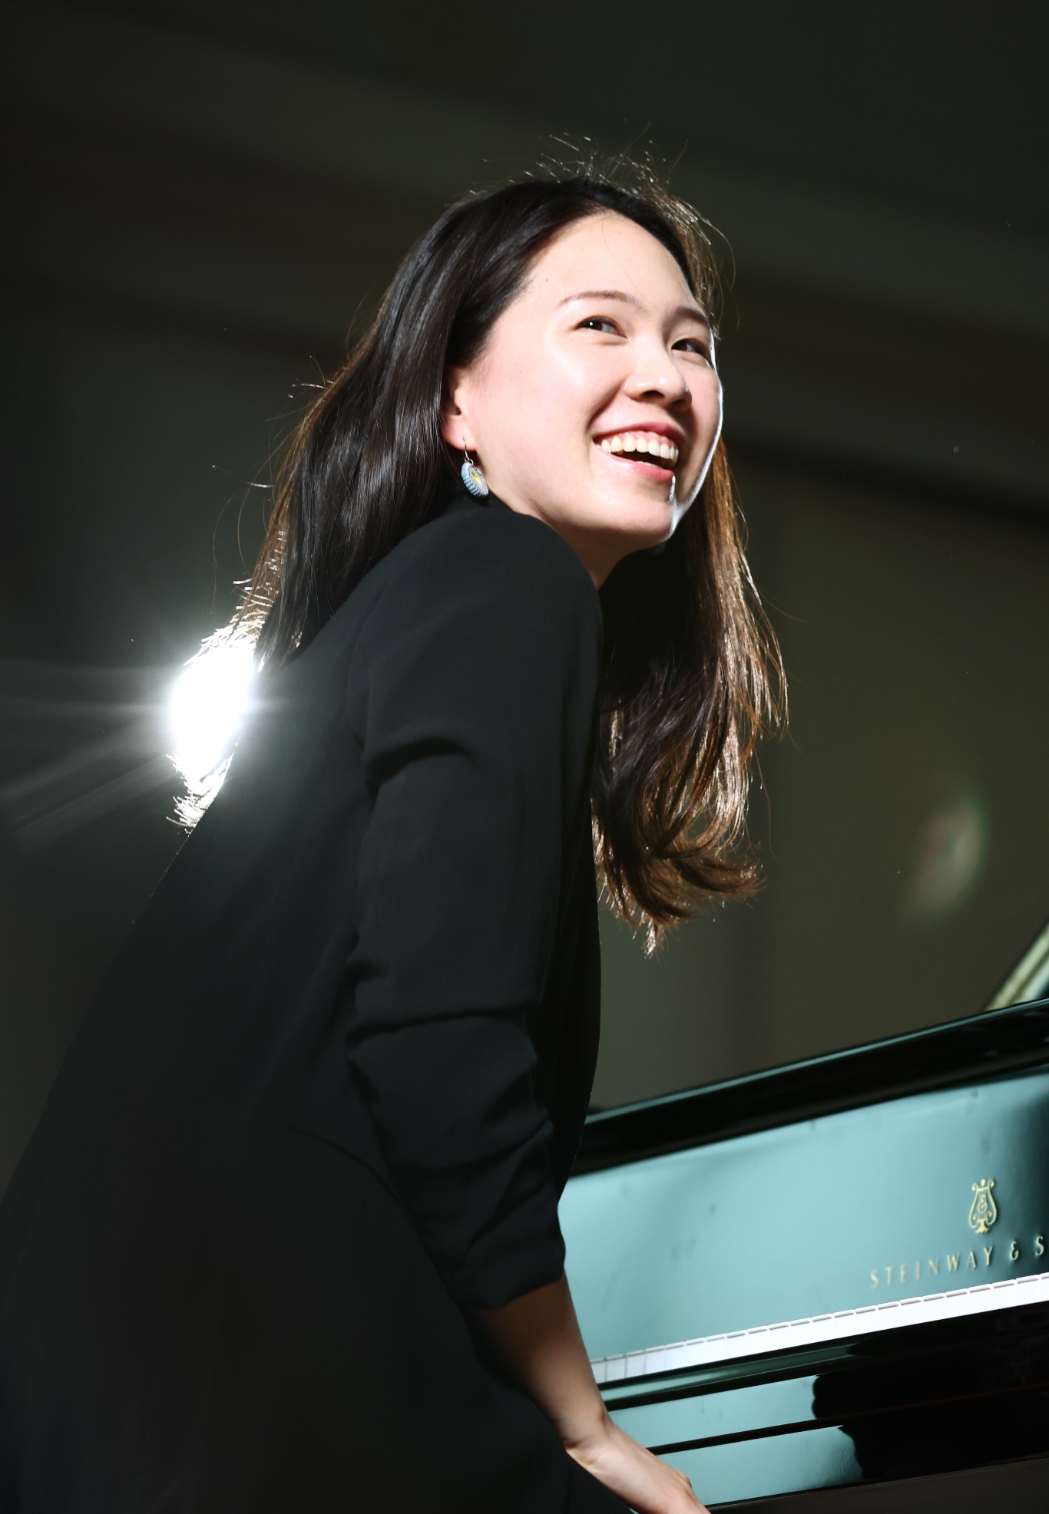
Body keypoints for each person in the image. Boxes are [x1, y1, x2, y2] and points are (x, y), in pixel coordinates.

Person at [0, 171, 782, 1513]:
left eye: (692, 345)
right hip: (261, 1402)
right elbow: (437, 1041)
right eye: (600, 325)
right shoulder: (508, 579)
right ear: (453, 398)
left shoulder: (425, 602)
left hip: (156, 1396)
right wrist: (581, 1419)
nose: (664, 376)